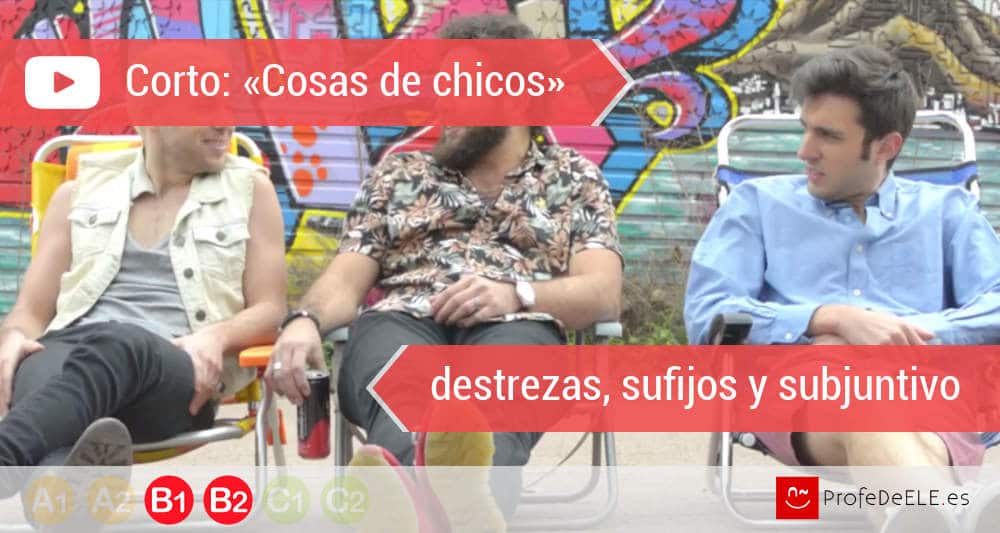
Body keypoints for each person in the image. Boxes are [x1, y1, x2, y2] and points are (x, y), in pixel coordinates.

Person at [267, 14, 623, 530]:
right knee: (403, 390)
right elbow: (345, 278)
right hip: (402, 319)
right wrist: (303, 320)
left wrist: (517, 294)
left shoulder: (573, 179)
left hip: (518, 323)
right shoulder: (399, 175)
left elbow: (603, 291)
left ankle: (412, 508)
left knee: (494, 399)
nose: (443, 102)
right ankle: (455, 509)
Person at [684, 46, 1000, 532]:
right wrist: (828, 319)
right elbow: (709, 315)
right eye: (806, 129)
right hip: (806, 398)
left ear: (885, 146)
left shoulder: (948, 213)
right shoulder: (756, 206)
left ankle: (938, 513)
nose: (804, 151)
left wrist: (903, 335)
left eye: (828, 135)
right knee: (863, 400)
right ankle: (963, 510)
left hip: (930, 399)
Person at [0, 126, 286, 472]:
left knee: (119, 344)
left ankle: (8, 452)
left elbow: (271, 311)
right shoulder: (77, 193)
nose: (224, 123)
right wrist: (12, 336)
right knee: (39, 370)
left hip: (173, 368)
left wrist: (217, 337)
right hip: (70, 354)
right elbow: (31, 311)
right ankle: (59, 489)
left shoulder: (249, 190)